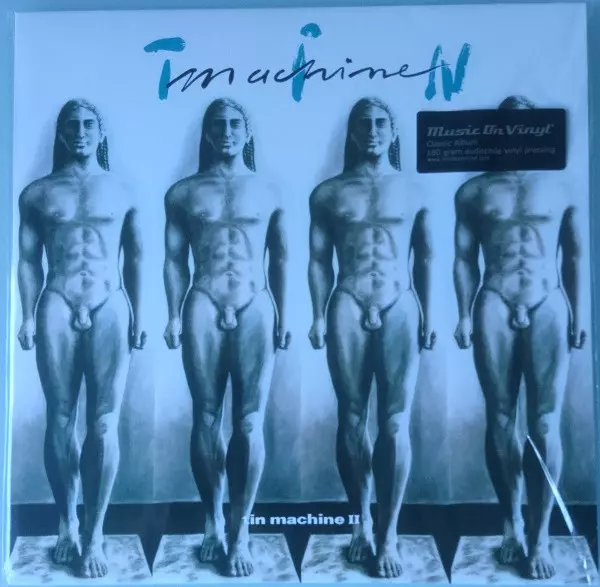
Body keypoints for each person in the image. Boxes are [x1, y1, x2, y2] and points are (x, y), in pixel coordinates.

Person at [452, 95, 586, 580]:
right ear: (497, 132)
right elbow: (464, 258)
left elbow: (575, 256)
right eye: (507, 126)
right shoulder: (474, 191)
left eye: (525, 126)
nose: (516, 133)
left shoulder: (562, 185)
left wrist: (580, 314)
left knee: (546, 422)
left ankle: (542, 534)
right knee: (501, 415)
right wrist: (463, 314)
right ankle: (511, 523)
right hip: (494, 299)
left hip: (548, 300)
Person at [16, 98, 146, 579]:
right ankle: (67, 524)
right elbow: (28, 260)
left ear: (101, 131)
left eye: (90, 124)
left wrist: (139, 314)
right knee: (60, 416)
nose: (81, 132)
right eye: (72, 125)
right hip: (56, 300)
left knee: (105, 423)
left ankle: (95, 533)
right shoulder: (37, 193)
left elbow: (137, 257)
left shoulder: (124, 189)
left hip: (110, 303)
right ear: (62, 134)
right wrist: (26, 316)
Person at [307, 97, 436, 579]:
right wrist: (317, 315)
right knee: (352, 415)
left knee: (396, 422)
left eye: (383, 123)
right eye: (365, 124)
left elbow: (426, 258)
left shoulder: (414, 189)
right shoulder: (328, 193)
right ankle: (361, 521)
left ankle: (390, 532)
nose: (374, 131)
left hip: (400, 301)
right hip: (347, 298)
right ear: (353, 132)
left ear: (394, 132)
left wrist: (429, 314)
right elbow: (318, 260)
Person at [163, 97, 291, 578]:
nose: (228, 131)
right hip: (203, 299)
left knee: (250, 422)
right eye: (219, 124)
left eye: (237, 123)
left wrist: (284, 315)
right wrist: (172, 314)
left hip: (256, 302)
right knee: (206, 416)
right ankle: (213, 521)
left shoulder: (270, 189)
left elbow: (282, 258)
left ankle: (241, 529)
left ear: (248, 131)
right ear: (207, 132)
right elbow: (174, 259)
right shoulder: (183, 193)